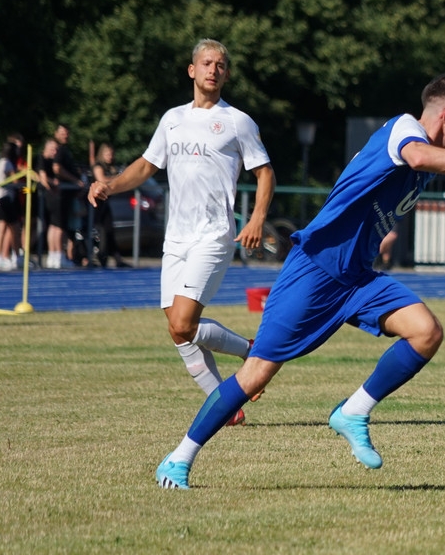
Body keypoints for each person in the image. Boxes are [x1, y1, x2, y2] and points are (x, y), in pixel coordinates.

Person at [152, 72, 445, 489]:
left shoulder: (438, 147)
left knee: (426, 332)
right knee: (257, 373)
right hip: (315, 270)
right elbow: (422, 158)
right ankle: (178, 459)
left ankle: (352, 412)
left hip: (357, 276)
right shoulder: (404, 132)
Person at [89, 39, 275, 427]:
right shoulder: (172, 119)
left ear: (226, 74)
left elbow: (265, 172)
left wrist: (257, 218)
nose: (213, 69)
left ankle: (250, 353)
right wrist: (110, 184)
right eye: (206, 63)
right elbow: (145, 166)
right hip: (176, 238)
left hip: (213, 235)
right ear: (192, 70)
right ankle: (228, 405)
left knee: (183, 323)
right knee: (178, 331)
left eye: (221, 65)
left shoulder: (238, 121)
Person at [39, 127, 86, 268]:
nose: (54, 151)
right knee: (59, 227)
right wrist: (74, 180)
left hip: (56, 194)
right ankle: (58, 255)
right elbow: (56, 169)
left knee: (54, 226)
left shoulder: (49, 157)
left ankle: (54, 256)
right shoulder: (59, 152)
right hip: (59, 195)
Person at [90, 142, 128, 268]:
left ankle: (115, 258)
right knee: (98, 231)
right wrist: (119, 178)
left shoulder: (110, 167)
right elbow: (101, 179)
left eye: (111, 154)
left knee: (109, 230)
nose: (110, 156)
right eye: (107, 153)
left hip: (104, 203)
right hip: (94, 203)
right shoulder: (98, 166)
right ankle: (92, 257)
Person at [0, 141, 21, 270]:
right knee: (14, 228)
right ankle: (16, 256)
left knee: (1, 228)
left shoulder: (0, 162)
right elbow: (15, 180)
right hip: (4, 199)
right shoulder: (7, 163)